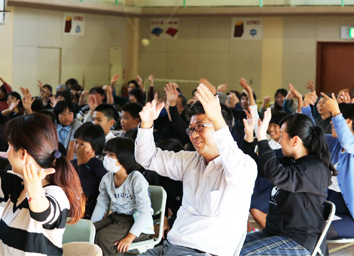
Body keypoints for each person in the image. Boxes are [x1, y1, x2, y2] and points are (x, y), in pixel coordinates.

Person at [135, 83, 257, 255]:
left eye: (200, 127)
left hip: (201, 252)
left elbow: (236, 170)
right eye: (191, 129)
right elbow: (147, 158)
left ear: (221, 127)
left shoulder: (245, 165)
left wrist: (217, 119)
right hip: (169, 247)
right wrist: (146, 124)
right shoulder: (191, 160)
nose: (193, 134)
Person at [240, 108, 335, 256]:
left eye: (282, 136)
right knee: (226, 248)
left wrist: (262, 138)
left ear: (295, 140)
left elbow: (276, 174)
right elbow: (258, 166)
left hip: (299, 240)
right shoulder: (291, 160)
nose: (278, 140)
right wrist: (249, 137)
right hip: (274, 233)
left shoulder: (315, 169)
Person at [0, 113, 85, 255]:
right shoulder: (16, 183)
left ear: (23, 154)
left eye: (9, 147)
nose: (6, 154)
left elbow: (43, 214)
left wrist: (34, 191)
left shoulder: (55, 194)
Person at [303, 94, 354, 240]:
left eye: (335, 119)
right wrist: (307, 108)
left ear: (349, 122)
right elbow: (313, 136)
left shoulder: (350, 145)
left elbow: (348, 142)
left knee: (317, 233)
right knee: (298, 224)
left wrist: (336, 112)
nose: (331, 122)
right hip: (330, 203)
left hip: (350, 215)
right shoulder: (335, 143)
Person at [91, 137, 153, 256]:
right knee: (91, 231)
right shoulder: (107, 178)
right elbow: (101, 204)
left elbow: (144, 211)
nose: (107, 158)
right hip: (117, 217)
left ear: (124, 156)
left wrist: (130, 237)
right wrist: (92, 225)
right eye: (106, 154)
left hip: (136, 222)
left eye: (111, 154)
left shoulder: (136, 179)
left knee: (104, 238)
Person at [71, 122, 107, 219]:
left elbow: (87, 188)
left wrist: (82, 164)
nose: (77, 147)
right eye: (76, 142)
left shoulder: (100, 167)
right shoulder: (71, 164)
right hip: (71, 208)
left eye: (82, 144)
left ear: (94, 148)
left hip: (89, 213)